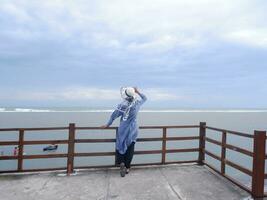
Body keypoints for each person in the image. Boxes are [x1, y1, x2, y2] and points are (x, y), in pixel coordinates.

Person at [101, 87, 147, 177]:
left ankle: (121, 162)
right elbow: (145, 98)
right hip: (133, 129)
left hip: (123, 128)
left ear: (125, 95)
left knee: (120, 145)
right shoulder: (137, 104)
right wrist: (138, 91)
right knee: (130, 147)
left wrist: (107, 125)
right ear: (133, 95)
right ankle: (127, 167)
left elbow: (113, 116)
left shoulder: (122, 105)